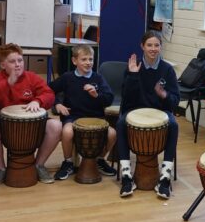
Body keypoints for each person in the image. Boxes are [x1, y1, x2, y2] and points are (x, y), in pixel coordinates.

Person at [116, 30, 180, 199]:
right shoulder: (134, 66)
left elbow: (175, 101)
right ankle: (126, 176)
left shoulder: (167, 70)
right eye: (149, 45)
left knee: (173, 124)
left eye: (156, 45)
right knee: (121, 123)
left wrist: (164, 95)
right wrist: (133, 76)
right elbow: (127, 98)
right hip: (136, 108)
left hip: (161, 111)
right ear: (142, 46)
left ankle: (165, 177)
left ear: (161, 47)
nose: (153, 49)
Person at [0, 43, 62, 187]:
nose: (18, 64)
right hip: (1, 123)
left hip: (32, 124)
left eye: (20, 60)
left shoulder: (31, 77)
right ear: (3, 65)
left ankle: (39, 165)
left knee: (56, 125)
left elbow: (49, 94)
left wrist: (38, 101)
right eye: (12, 61)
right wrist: (7, 83)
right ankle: (0, 169)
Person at [49, 44, 117, 180]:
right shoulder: (67, 77)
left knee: (112, 133)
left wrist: (97, 95)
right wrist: (58, 104)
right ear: (75, 61)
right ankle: (68, 162)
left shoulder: (98, 78)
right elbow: (49, 90)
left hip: (95, 117)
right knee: (67, 132)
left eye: (91, 59)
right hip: (73, 116)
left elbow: (109, 98)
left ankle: (99, 159)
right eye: (84, 59)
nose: (88, 63)